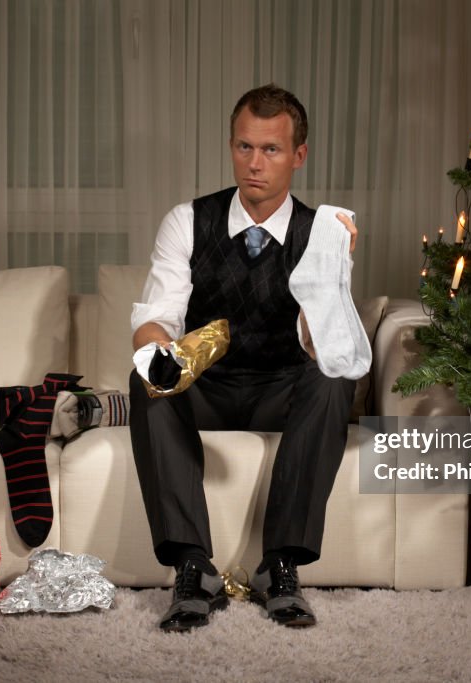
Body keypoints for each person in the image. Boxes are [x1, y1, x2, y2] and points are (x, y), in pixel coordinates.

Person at [128, 83, 359, 632]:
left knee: (333, 379)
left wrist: (328, 272)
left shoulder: (320, 232)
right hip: (208, 388)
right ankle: (193, 568)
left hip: (281, 391)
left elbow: (325, 345)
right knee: (146, 378)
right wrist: (159, 353)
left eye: (271, 149)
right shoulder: (187, 220)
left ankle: (280, 566)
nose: (255, 164)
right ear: (232, 146)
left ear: (299, 155)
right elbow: (155, 317)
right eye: (244, 147)